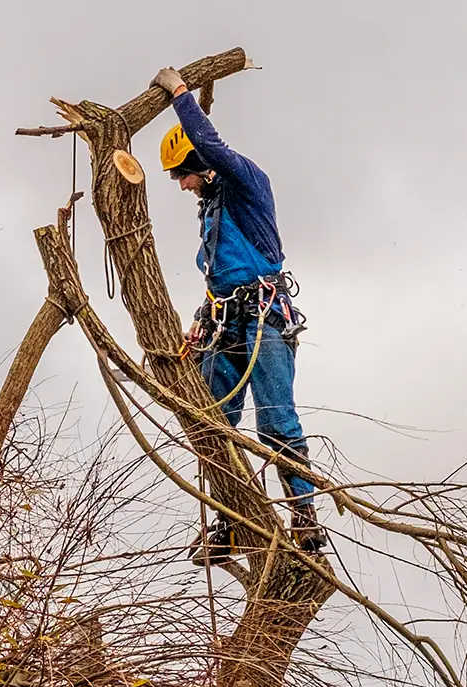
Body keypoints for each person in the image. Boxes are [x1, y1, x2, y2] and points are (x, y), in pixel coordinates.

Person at [151, 66, 326, 563]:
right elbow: (220, 277)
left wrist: (180, 92)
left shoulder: (247, 184)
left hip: (265, 318)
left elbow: (210, 142)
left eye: (181, 174)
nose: (181, 185)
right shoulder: (210, 210)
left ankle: (304, 517)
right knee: (215, 424)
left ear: (200, 164)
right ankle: (232, 523)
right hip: (224, 324)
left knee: (275, 421)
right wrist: (201, 320)